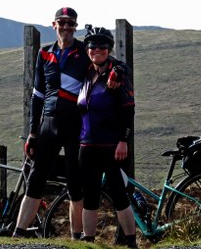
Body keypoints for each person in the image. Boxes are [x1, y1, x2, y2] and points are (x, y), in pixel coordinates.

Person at [13, 7, 88, 239]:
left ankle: (77, 237)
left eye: (70, 23)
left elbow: (107, 64)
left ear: (76, 26)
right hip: (48, 123)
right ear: (53, 25)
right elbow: (37, 96)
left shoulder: (85, 52)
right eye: (61, 22)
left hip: (75, 124)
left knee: (76, 184)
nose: (66, 27)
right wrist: (32, 133)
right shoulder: (44, 54)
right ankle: (18, 234)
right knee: (36, 178)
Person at [77, 26, 137, 248]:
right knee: (90, 196)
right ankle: (89, 242)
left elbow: (129, 110)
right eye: (92, 46)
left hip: (113, 146)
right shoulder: (87, 73)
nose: (97, 50)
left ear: (109, 49)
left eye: (102, 46)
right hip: (87, 145)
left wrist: (124, 140)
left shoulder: (117, 75)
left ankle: (131, 242)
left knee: (119, 196)